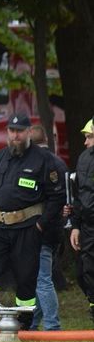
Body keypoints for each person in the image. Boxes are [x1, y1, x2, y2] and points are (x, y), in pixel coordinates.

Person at [0, 114, 66, 330]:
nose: (15, 135)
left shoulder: (44, 160)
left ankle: (24, 321)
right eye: (12, 130)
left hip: (27, 227)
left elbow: (56, 197)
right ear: (7, 132)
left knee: (26, 276)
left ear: (28, 132)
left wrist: (41, 225)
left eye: (20, 131)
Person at [29, 125, 66, 331]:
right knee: (40, 278)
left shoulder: (39, 162)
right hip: (54, 229)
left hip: (41, 230)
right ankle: (33, 323)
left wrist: (39, 223)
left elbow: (52, 200)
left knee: (42, 279)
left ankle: (52, 325)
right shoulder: (57, 161)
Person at [70, 117, 94, 322]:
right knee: (83, 272)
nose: (85, 142)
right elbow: (78, 195)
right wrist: (75, 225)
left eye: (89, 137)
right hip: (87, 226)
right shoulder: (84, 159)